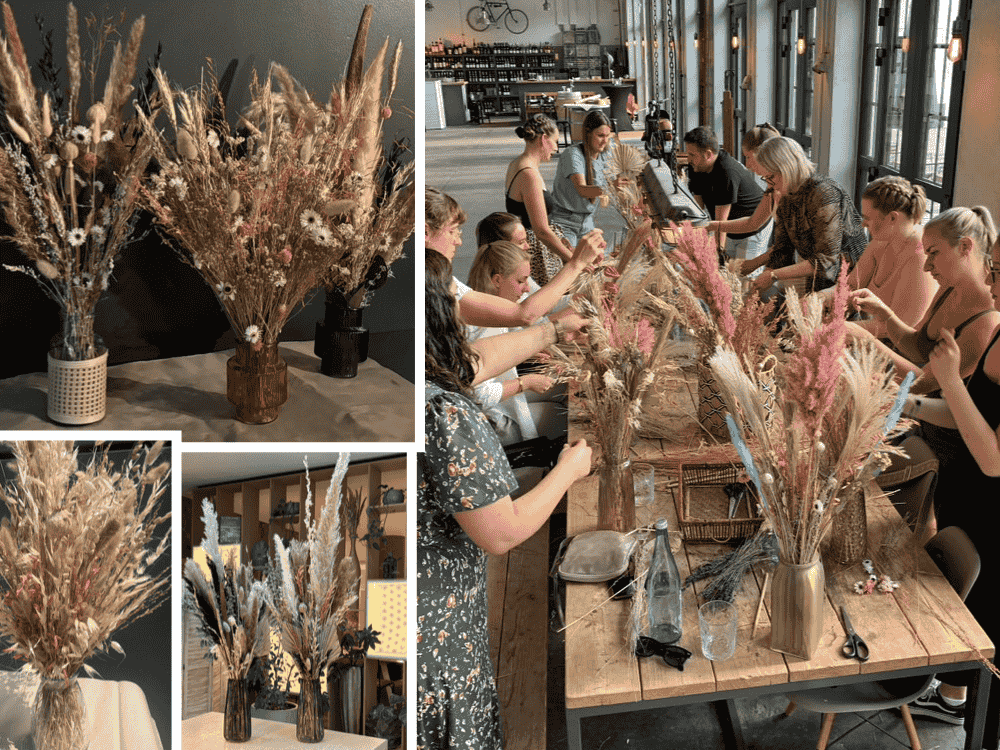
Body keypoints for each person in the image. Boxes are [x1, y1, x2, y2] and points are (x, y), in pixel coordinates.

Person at [418, 248, 593, 749]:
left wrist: (556, 330)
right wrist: (567, 471)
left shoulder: (424, 377)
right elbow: (502, 532)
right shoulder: (444, 415)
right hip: (440, 641)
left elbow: (471, 364)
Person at [895, 238, 1000, 743]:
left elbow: (994, 459)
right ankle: (956, 701)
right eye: (995, 269)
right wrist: (907, 406)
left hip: (993, 505)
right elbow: (966, 415)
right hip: (969, 495)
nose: (993, 284)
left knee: (989, 639)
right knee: (968, 612)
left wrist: (947, 378)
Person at [850, 206, 1000, 395]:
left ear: (964, 247)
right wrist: (884, 313)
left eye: (934, 253)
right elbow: (918, 348)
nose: (927, 267)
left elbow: (922, 384)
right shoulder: (949, 286)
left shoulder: (986, 323)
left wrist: (865, 339)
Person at [426, 186, 603, 328]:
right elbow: (525, 316)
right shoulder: (439, 285)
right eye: (452, 231)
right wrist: (576, 264)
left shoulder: (445, 281)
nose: (459, 242)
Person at [466, 240, 567, 444]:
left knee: (566, 390)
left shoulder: (486, 305)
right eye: (521, 281)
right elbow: (479, 395)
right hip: (493, 421)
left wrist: (525, 353)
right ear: (497, 280)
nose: (527, 288)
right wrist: (525, 382)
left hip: (503, 405)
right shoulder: (484, 325)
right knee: (567, 414)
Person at [742, 136, 866, 294]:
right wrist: (759, 284)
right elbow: (782, 250)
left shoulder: (824, 194)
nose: (769, 185)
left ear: (787, 167)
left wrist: (772, 275)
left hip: (851, 282)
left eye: (771, 177)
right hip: (819, 282)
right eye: (765, 178)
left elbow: (826, 261)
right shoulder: (787, 198)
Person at [820, 176, 937, 341]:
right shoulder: (883, 238)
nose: (863, 224)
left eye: (867, 217)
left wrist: (831, 329)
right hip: (868, 340)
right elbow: (852, 285)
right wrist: (821, 298)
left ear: (892, 218)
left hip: (898, 355)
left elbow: (897, 329)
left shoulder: (919, 259)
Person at [683, 125, 771, 265]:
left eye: (692, 155)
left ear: (708, 154)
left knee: (743, 274)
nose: (688, 159)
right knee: (728, 266)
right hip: (729, 225)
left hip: (753, 225)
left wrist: (718, 252)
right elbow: (698, 207)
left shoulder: (726, 172)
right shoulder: (697, 166)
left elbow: (721, 218)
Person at [505, 115, 573, 285]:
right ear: (544, 139)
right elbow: (541, 230)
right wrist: (572, 259)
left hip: (530, 246)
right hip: (537, 254)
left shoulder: (517, 164)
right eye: (555, 141)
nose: (556, 148)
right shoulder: (529, 175)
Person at [703, 123, 781, 268]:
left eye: (750, 157)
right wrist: (711, 226)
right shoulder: (772, 187)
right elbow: (752, 222)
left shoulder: (728, 171)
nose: (748, 165)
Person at [550, 110, 614, 247]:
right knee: (571, 261)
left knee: (596, 261)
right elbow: (582, 190)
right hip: (564, 221)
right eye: (600, 135)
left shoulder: (605, 153)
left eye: (607, 136)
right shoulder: (573, 154)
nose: (605, 141)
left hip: (587, 221)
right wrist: (611, 187)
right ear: (588, 134)